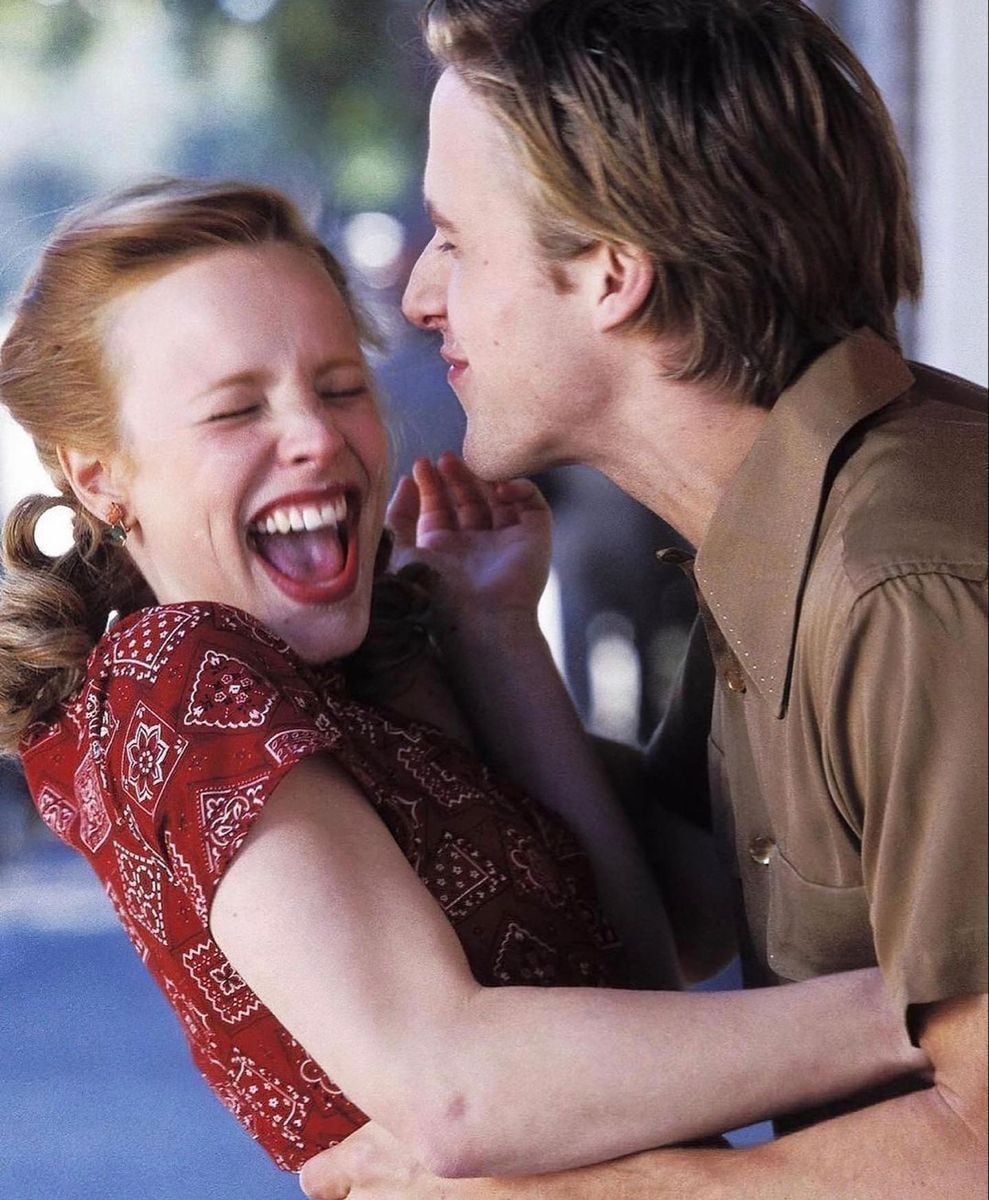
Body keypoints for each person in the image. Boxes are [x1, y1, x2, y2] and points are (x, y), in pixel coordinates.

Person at [0, 179, 925, 1180]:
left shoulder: (352, 672)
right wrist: (926, 1012)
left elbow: (644, 967)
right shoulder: (177, 675)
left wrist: (495, 639)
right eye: (234, 410)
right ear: (98, 475)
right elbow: (456, 1092)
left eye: (339, 384)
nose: (315, 434)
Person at [299, 0, 988, 1196]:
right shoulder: (779, 526)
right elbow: (679, 913)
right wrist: (485, 646)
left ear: (613, 272)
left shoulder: (905, 584)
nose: (417, 295)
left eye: (457, 241)